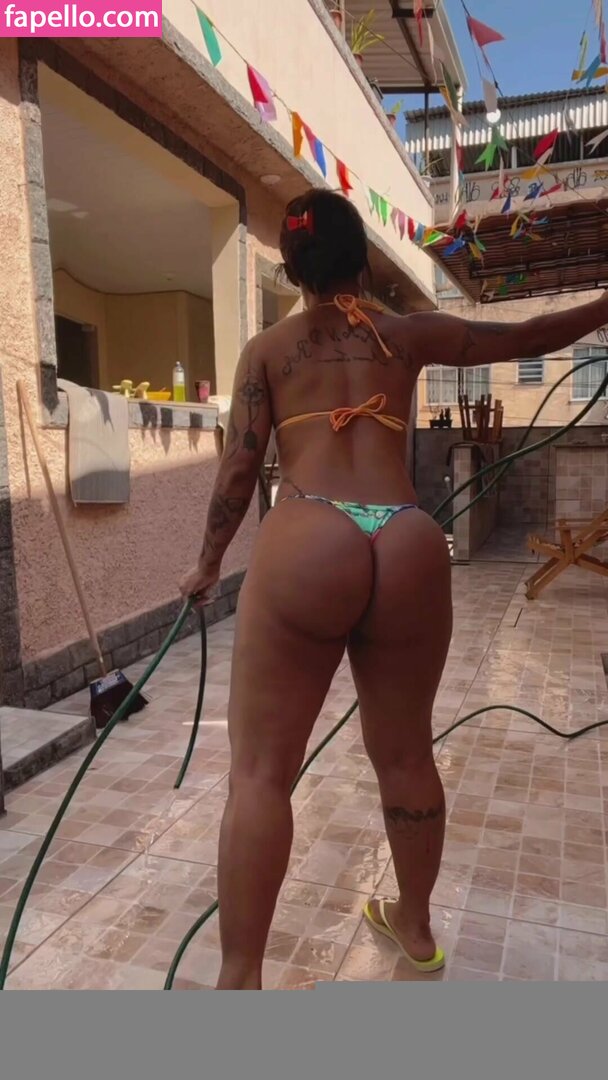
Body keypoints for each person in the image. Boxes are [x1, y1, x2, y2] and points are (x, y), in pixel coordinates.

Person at [180, 189, 608, 989]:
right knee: (407, 752)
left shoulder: (268, 350)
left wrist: (207, 565)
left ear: (292, 268)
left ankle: (239, 983)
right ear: (365, 260)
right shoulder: (405, 335)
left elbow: (239, 471)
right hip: (406, 537)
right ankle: (414, 926)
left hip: (310, 534)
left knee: (261, 773)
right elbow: (528, 335)